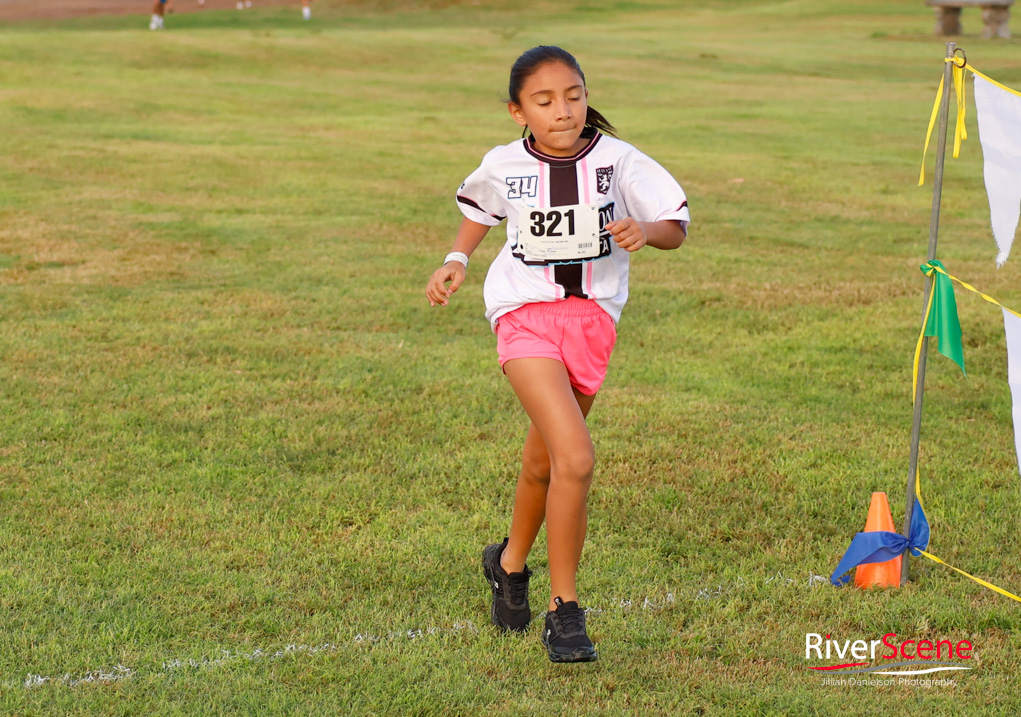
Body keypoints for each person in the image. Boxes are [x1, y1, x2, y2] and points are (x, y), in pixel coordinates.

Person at [425, 45, 689, 663]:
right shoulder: (504, 164)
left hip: (593, 321)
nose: (563, 110)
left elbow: (674, 225)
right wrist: (456, 260)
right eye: (544, 101)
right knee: (575, 457)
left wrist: (644, 231)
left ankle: (509, 564)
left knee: (544, 461)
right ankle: (564, 610)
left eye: (573, 95)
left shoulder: (619, 161)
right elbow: (479, 209)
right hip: (522, 315)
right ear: (519, 112)